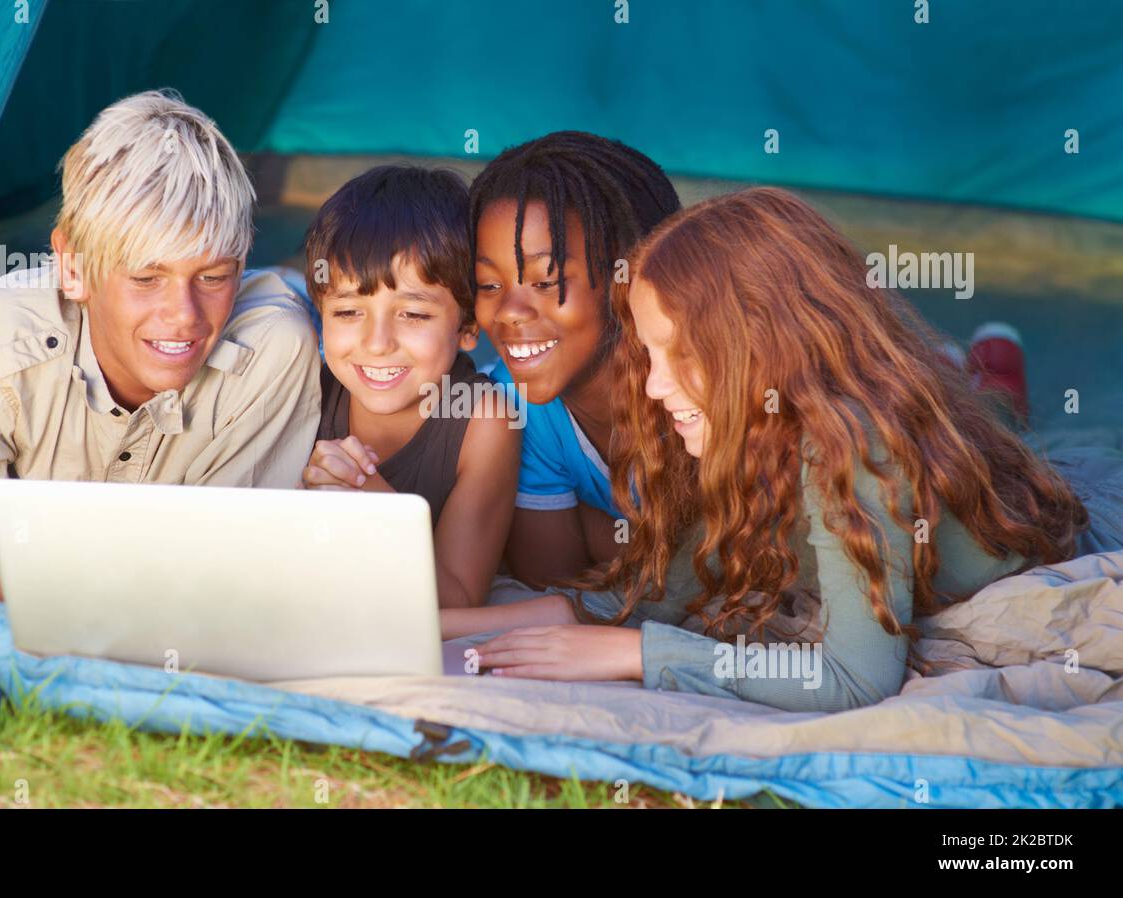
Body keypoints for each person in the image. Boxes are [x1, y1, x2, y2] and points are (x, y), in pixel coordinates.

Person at [444, 187, 1122, 712]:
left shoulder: (855, 446)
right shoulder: (738, 429)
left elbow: (856, 680)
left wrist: (636, 655)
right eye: (650, 355)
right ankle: (987, 377)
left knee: (1009, 431)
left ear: (763, 349)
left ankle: (993, 379)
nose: (653, 387)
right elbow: (655, 594)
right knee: (985, 416)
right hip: (957, 465)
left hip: (1063, 516)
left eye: (680, 356)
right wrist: (450, 625)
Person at [0, 90, 321, 606]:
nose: (185, 315)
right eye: (147, 277)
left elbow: (237, 573)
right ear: (74, 267)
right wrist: (85, 579)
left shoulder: (273, 349)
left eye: (214, 276)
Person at [301, 166, 519, 608]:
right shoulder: (303, 390)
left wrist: (377, 505)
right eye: (347, 313)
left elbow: (458, 599)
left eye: (414, 315)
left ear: (469, 326)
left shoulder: (483, 422)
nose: (377, 344)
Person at [470, 131, 680, 588]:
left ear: (628, 274)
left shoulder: (693, 392)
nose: (509, 311)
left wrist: (599, 532)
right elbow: (559, 585)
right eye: (488, 285)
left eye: (546, 282)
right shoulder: (515, 404)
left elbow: (711, 569)